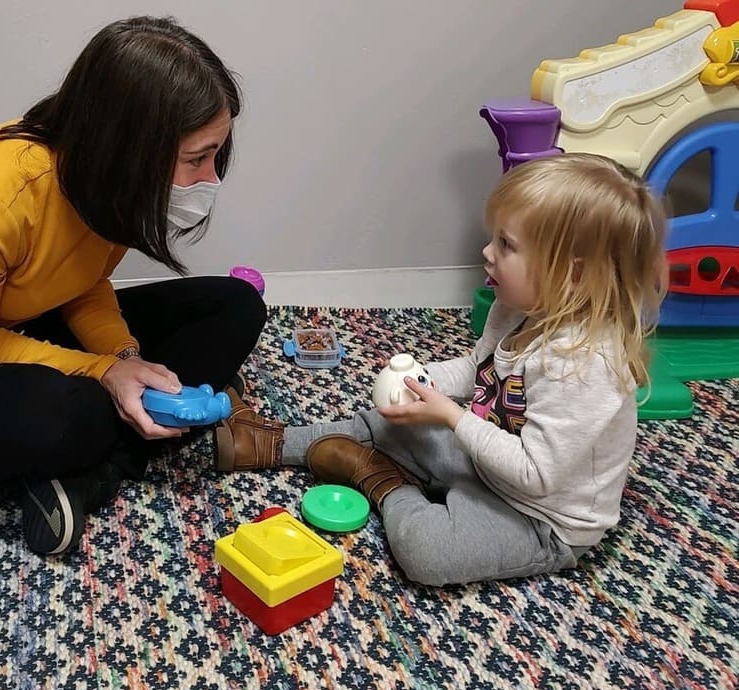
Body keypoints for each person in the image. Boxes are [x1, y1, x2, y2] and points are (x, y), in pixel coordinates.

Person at [0, 16, 267, 556]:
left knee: (236, 306)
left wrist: (125, 356)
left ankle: (89, 474)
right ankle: (107, 455)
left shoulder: (105, 181)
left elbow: (84, 283)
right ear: (129, 149)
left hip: (31, 329)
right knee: (63, 413)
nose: (209, 180)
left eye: (214, 157)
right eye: (196, 160)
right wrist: (105, 370)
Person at [215, 153, 667, 586]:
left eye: (506, 245)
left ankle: (382, 480)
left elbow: (536, 473)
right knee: (385, 423)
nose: (487, 252)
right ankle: (266, 442)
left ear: (571, 275)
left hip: (538, 517)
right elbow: (477, 368)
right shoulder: (516, 308)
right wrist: (420, 382)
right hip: (485, 459)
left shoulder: (585, 366)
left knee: (428, 554)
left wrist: (452, 416)